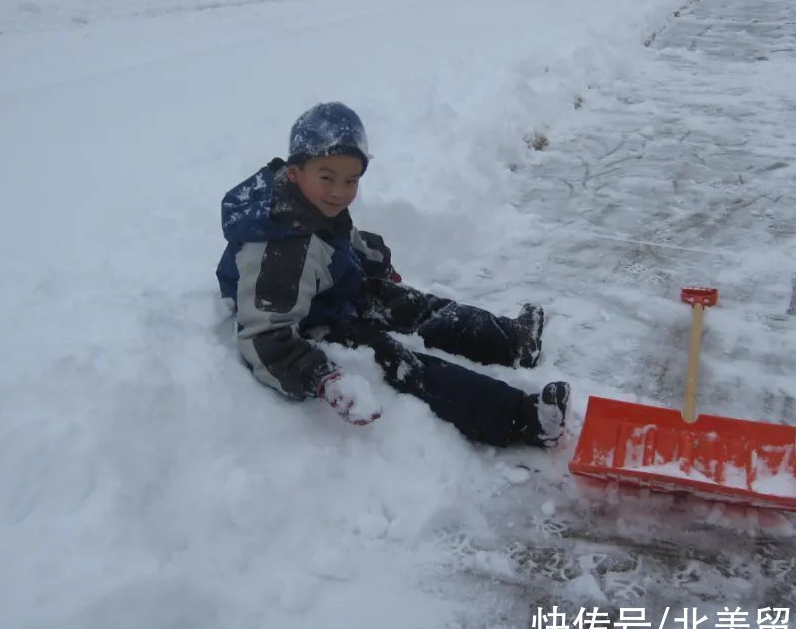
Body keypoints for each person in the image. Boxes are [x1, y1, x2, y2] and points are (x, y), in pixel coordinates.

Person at [216, 101, 569, 448]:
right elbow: (264, 337)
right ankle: (523, 418)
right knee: (401, 364)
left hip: (336, 294)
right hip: (313, 324)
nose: (340, 192)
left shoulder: (309, 201)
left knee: (418, 307)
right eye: (328, 178)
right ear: (294, 172)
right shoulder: (279, 250)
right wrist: (321, 378)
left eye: (351, 180)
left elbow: (340, 240)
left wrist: (376, 261)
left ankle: (512, 342)